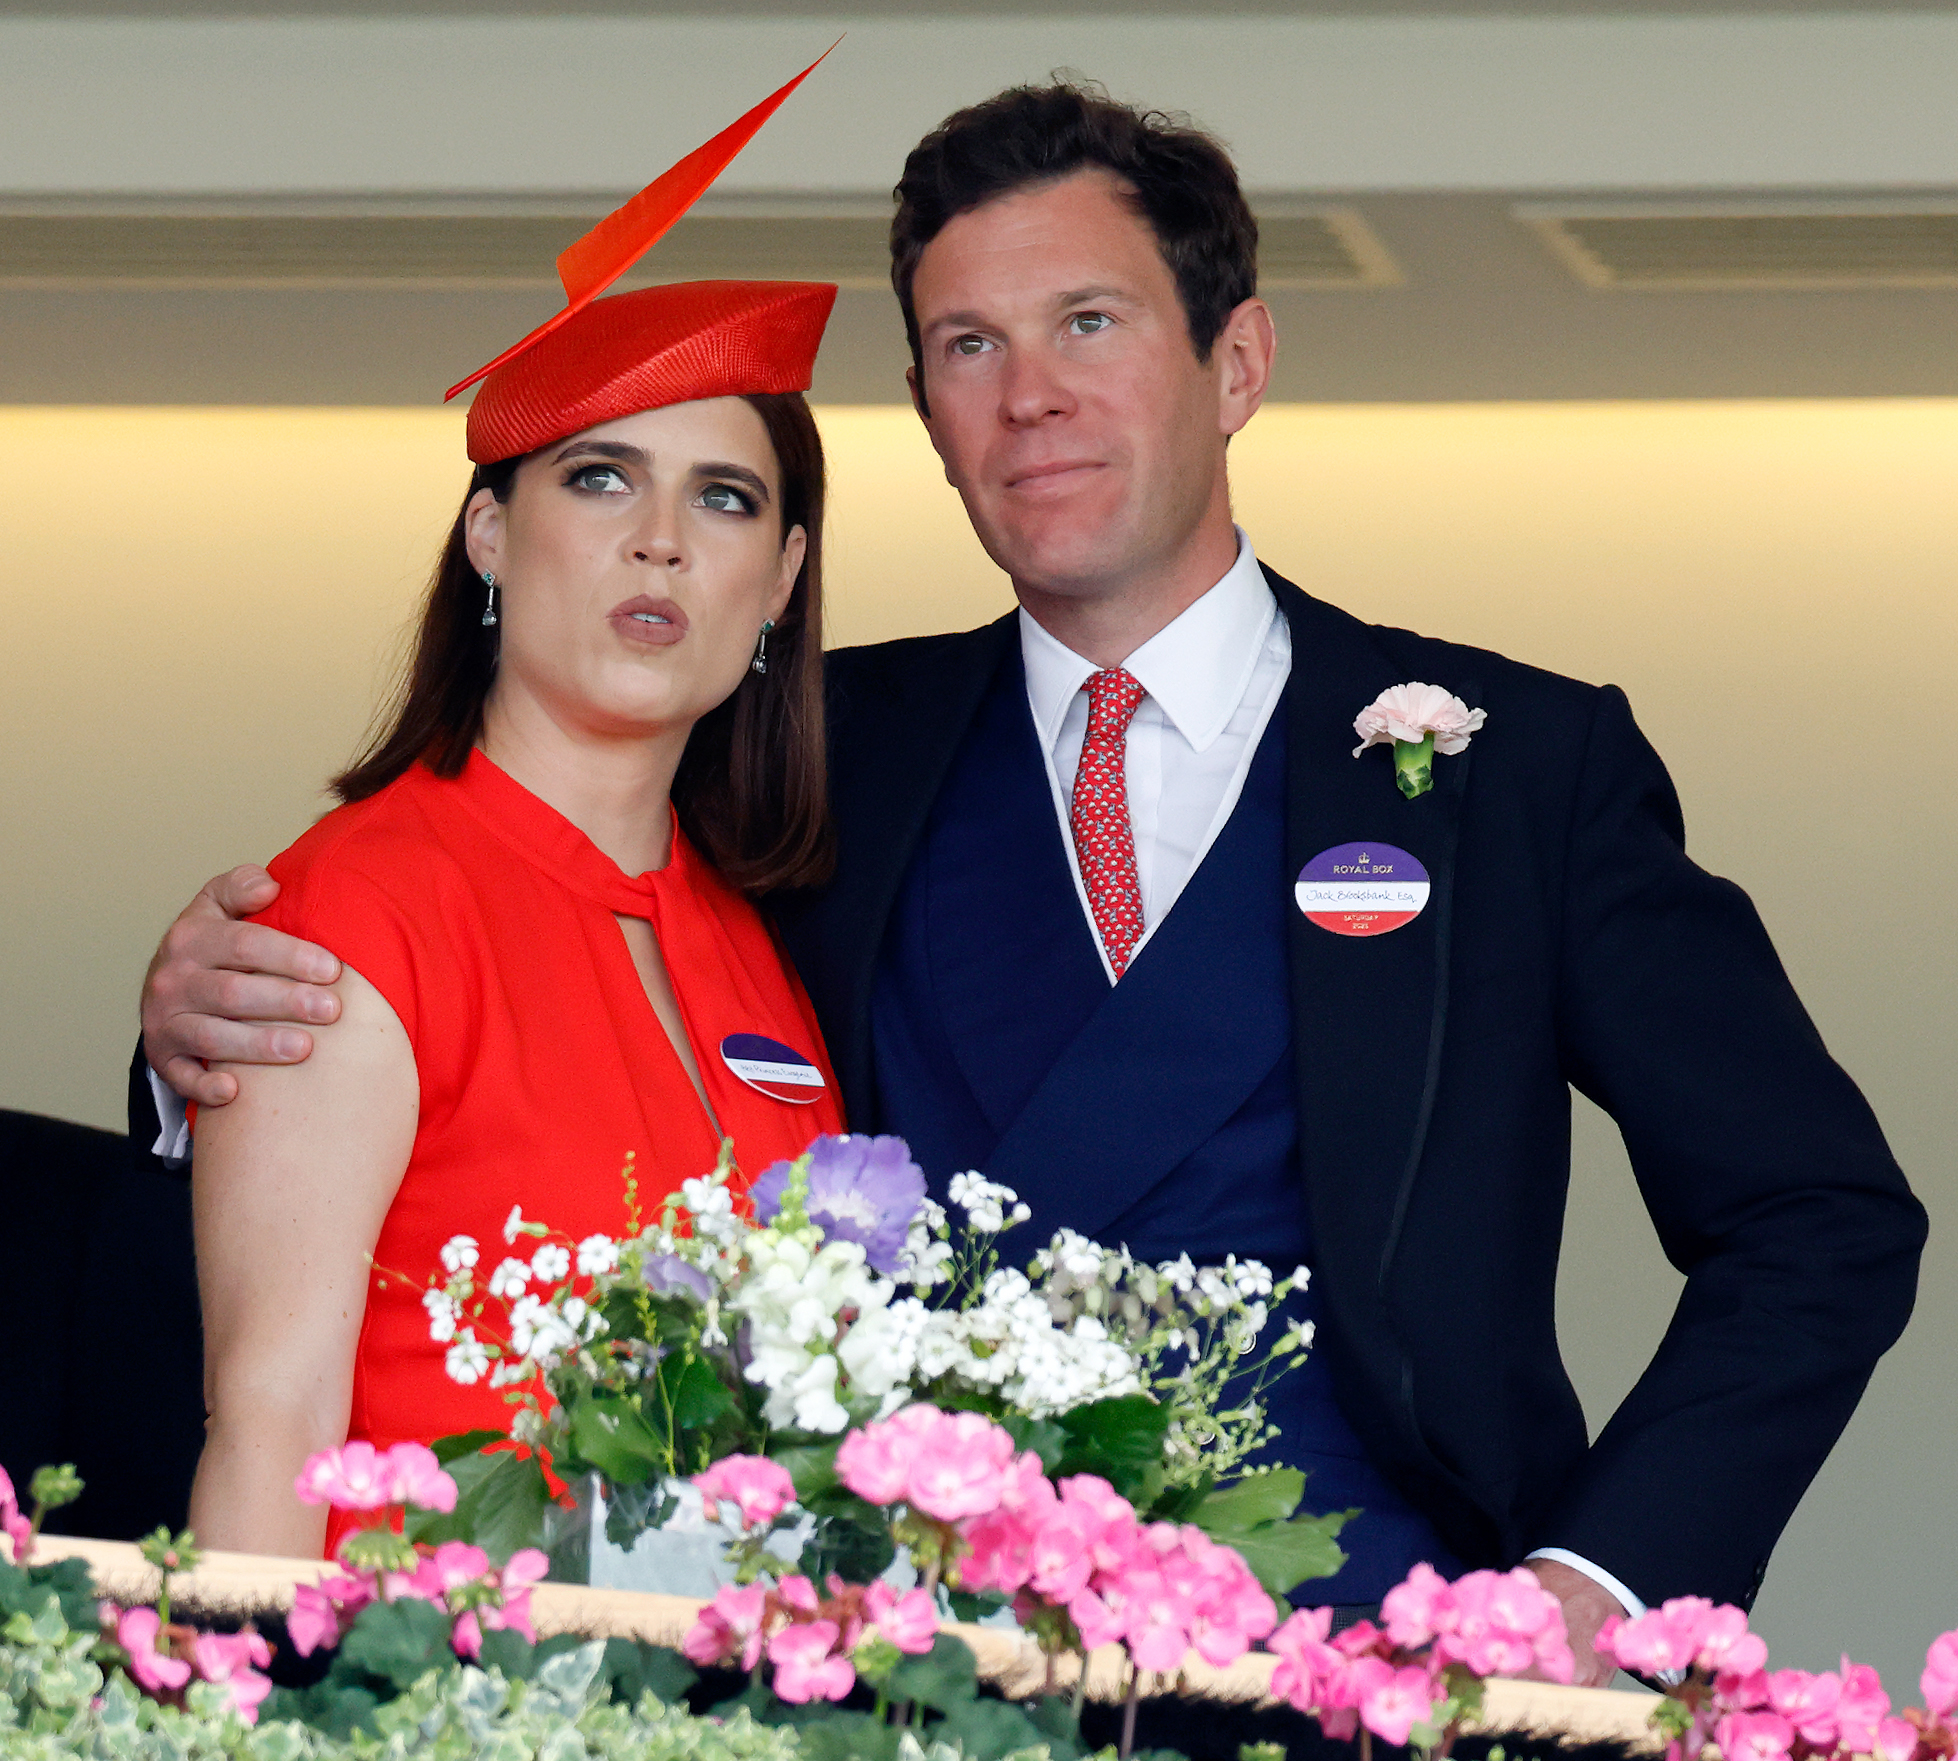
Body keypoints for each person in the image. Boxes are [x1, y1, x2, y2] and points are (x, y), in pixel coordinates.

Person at [139, 80, 1925, 1670]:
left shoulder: (1514, 769)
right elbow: (498, 922)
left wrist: (1596, 1585)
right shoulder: (803, 749)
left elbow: (1820, 1217)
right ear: (920, 406)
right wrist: (205, 1023)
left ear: (1236, 363)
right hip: (909, 1681)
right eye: (967, 345)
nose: (1032, 395)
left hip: (1388, 1668)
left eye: (1088, 319)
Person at [178, 69, 849, 1559]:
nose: (661, 541)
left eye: (725, 500)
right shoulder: (359, 907)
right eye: (600, 477)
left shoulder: (758, 941)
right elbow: (272, 1419)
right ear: (492, 530)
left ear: (783, 578)